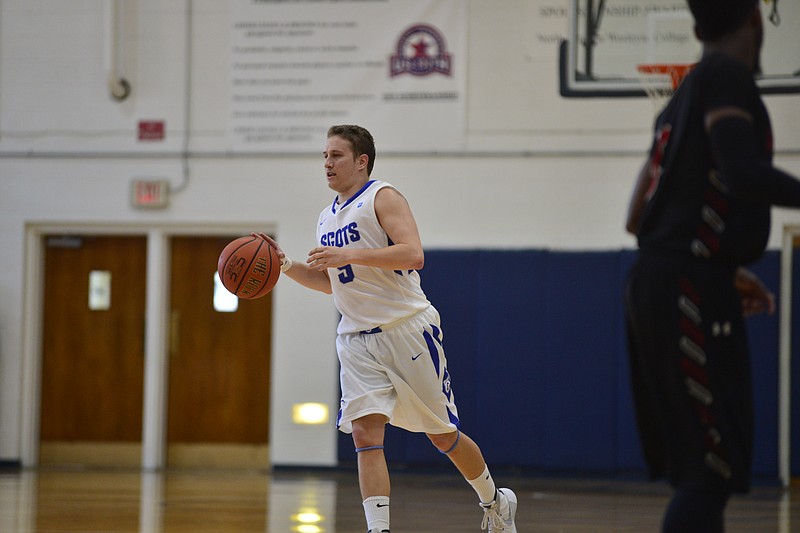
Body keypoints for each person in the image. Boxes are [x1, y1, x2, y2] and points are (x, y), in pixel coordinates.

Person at [255, 124, 517, 533]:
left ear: (362, 161)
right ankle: (379, 529)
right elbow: (333, 283)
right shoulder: (327, 217)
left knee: (442, 436)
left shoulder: (382, 196)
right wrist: (286, 266)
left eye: (336, 155)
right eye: (324, 156)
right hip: (355, 338)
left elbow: (413, 255)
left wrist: (348, 253)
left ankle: (494, 501)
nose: (327, 163)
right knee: (364, 433)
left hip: (406, 328)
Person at [624, 0, 800, 531]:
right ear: (755, 20)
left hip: (666, 278)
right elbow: (741, 172)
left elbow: (636, 217)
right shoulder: (727, 76)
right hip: (684, 285)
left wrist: (720, 266)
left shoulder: (680, 97)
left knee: (708, 469)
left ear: (697, 28)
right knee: (710, 471)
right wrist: (702, 267)